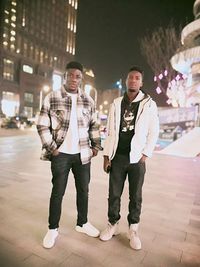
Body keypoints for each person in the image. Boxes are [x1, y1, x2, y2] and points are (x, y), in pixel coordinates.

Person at [37, 61, 102, 249]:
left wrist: (95, 147)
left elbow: (95, 125)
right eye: (70, 75)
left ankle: (82, 223)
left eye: (78, 76)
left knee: (84, 191)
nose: (74, 79)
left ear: (81, 79)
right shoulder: (53, 97)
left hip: (82, 154)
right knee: (57, 192)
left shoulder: (88, 100)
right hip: (61, 155)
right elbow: (42, 124)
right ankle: (52, 229)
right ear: (65, 76)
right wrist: (52, 148)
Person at [99, 66, 159, 250]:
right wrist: (107, 155)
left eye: (137, 78)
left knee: (136, 196)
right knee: (114, 194)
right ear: (126, 81)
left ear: (141, 82)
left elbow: (153, 131)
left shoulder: (149, 104)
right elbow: (110, 131)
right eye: (130, 77)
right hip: (118, 157)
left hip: (136, 159)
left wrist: (145, 154)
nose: (133, 80)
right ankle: (113, 224)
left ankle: (133, 229)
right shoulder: (116, 103)